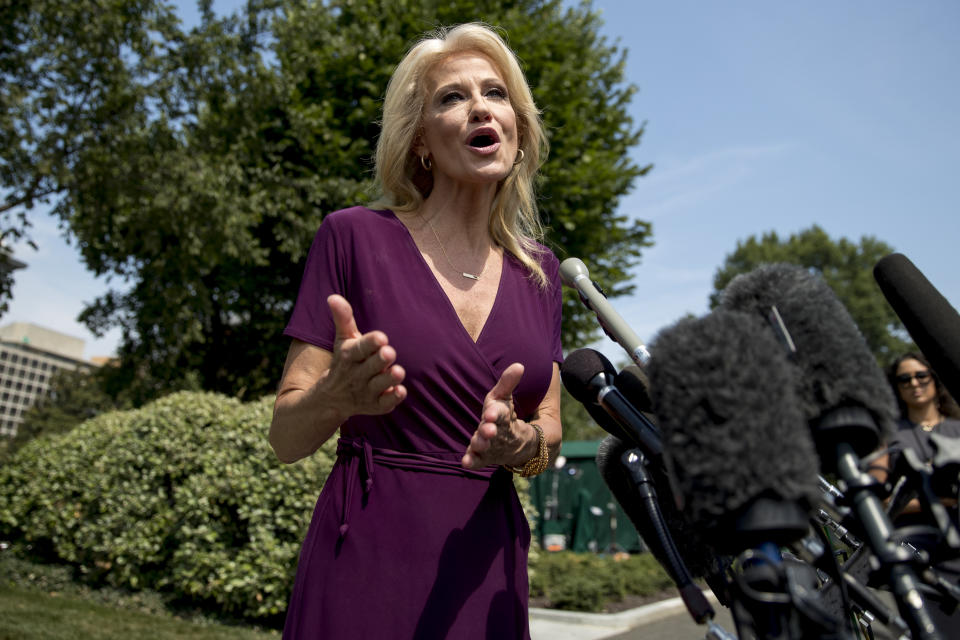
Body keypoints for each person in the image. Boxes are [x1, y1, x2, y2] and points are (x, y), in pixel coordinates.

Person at [269, 23, 564, 639]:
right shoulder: (352, 237)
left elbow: (549, 438)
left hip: (486, 568)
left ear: (517, 124)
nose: (481, 106)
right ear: (421, 141)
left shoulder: (544, 273)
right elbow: (286, 437)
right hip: (367, 555)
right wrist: (335, 399)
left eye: (496, 92)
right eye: (452, 97)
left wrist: (519, 447)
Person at [879, 352, 960, 633]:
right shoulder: (890, 436)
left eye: (921, 375)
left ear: (934, 379)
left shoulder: (957, 428)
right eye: (904, 379)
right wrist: (935, 500)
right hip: (921, 556)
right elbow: (879, 501)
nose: (914, 383)